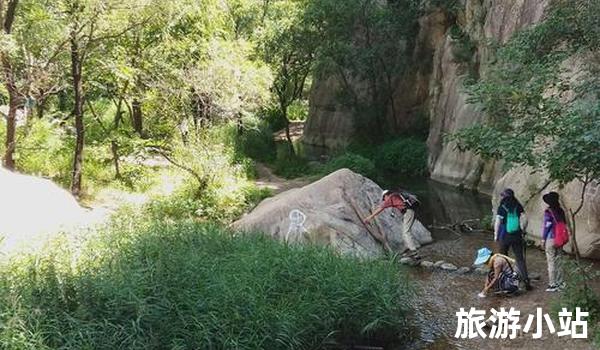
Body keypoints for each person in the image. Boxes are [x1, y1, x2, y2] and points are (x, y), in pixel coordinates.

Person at [494, 188, 532, 290]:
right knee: (520, 259)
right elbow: (525, 219)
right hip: (517, 235)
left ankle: (502, 282)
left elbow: (497, 222)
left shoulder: (502, 207)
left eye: (502, 195)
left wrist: (496, 235)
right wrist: (523, 229)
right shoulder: (518, 206)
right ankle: (526, 281)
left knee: (502, 258)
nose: (501, 197)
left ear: (505, 197)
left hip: (505, 236)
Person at [363, 189, 420, 257]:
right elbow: (385, 205)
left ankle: (413, 251)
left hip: (408, 212)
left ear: (386, 195)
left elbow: (381, 208)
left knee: (406, 232)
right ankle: (410, 248)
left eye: (384, 198)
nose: (384, 200)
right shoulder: (395, 196)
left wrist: (369, 217)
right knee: (406, 231)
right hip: (411, 211)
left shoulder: (390, 197)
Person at [541, 191, 566, 292]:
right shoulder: (561, 211)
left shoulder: (549, 212)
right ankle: (560, 283)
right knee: (559, 260)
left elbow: (547, 226)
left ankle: (552, 284)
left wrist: (543, 239)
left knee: (551, 262)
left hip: (551, 239)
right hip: (560, 239)